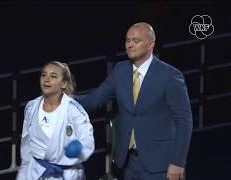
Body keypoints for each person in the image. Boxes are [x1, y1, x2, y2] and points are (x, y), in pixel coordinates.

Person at [77, 22, 193, 180]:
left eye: (136, 41)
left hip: (161, 164)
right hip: (129, 162)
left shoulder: (170, 76)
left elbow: (184, 121)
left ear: (151, 44)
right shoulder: (120, 70)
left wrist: (178, 162)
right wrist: (61, 99)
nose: (130, 45)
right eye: (127, 40)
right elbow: (94, 99)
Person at [16, 61, 95, 180]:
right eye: (43, 75)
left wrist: (79, 148)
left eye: (53, 76)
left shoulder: (74, 110)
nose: (46, 79)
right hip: (35, 172)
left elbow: (87, 139)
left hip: (66, 174)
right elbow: (26, 143)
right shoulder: (31, 107)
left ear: (63, 83)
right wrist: (23, 173)